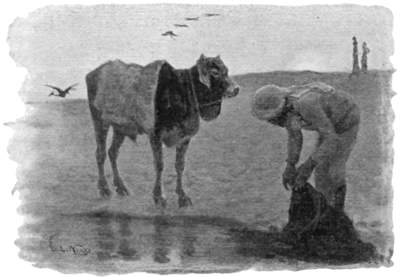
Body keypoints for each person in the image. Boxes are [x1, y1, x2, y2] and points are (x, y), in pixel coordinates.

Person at [251, 82, 360, 211]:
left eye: (274, 118)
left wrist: (307, 166)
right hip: (327, 124)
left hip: (346, 121)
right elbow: (294, 136)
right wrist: (290, 165)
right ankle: (325, 210)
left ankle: (337, 213)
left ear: (283, 107)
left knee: (333, 171)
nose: (274, 123)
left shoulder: (305, 104)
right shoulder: (290, 109)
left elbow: (331, 139)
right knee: (321, 173)